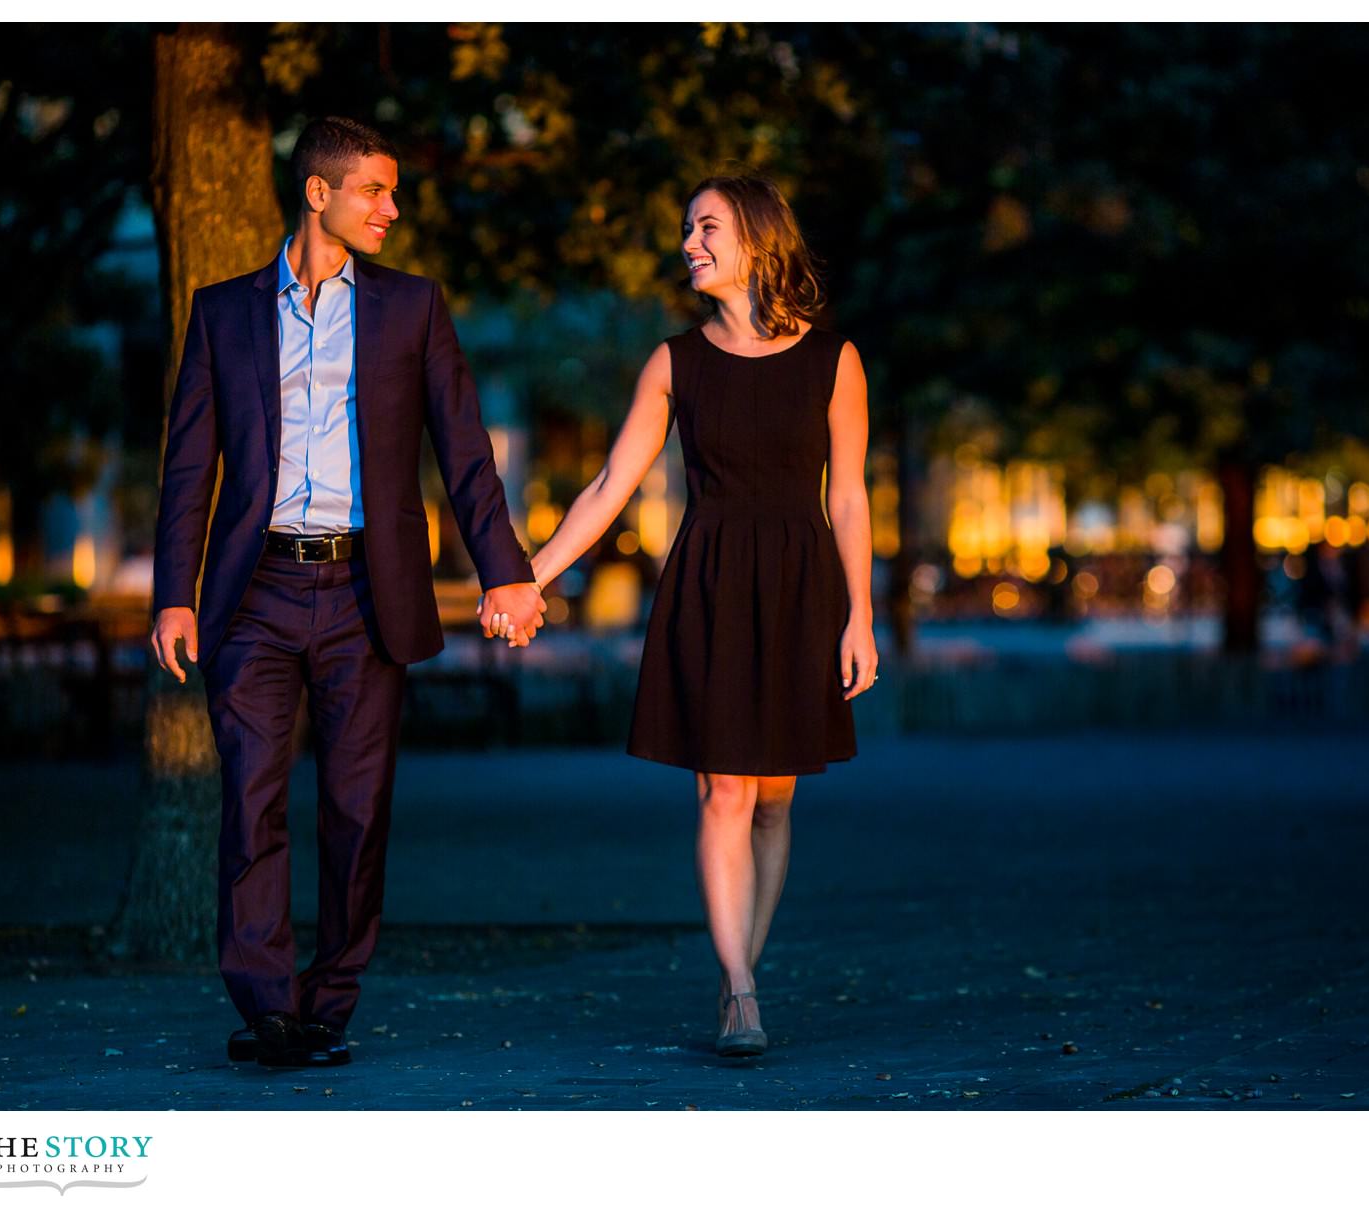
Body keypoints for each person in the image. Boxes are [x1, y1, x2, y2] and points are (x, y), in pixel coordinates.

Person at [149, 117, 545, 1068]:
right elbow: (188, 466)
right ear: (318, 193)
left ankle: (327, 1004)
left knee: (358, 811)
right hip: (254, 594)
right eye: (375, 190)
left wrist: (507, 570)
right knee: (250, 802)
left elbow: (464, 449)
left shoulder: (412, 308)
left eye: (394, 191)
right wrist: (174, 593)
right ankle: (266, 1006)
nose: (393, 210)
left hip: (367, 592)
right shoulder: (224, 311)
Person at [491, 174, 877, 1057]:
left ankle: (742, 959)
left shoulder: (835, 359)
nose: (689, 244)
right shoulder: (674, 362)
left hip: (800, 584)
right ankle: (739, 987)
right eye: (686, 230)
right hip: (709, 581)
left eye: (707, 227)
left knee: (776, 799)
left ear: (757, 239)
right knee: (725, 789)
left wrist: (861, 617)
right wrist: (532, 578)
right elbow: (607, 487)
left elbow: (849, 499)